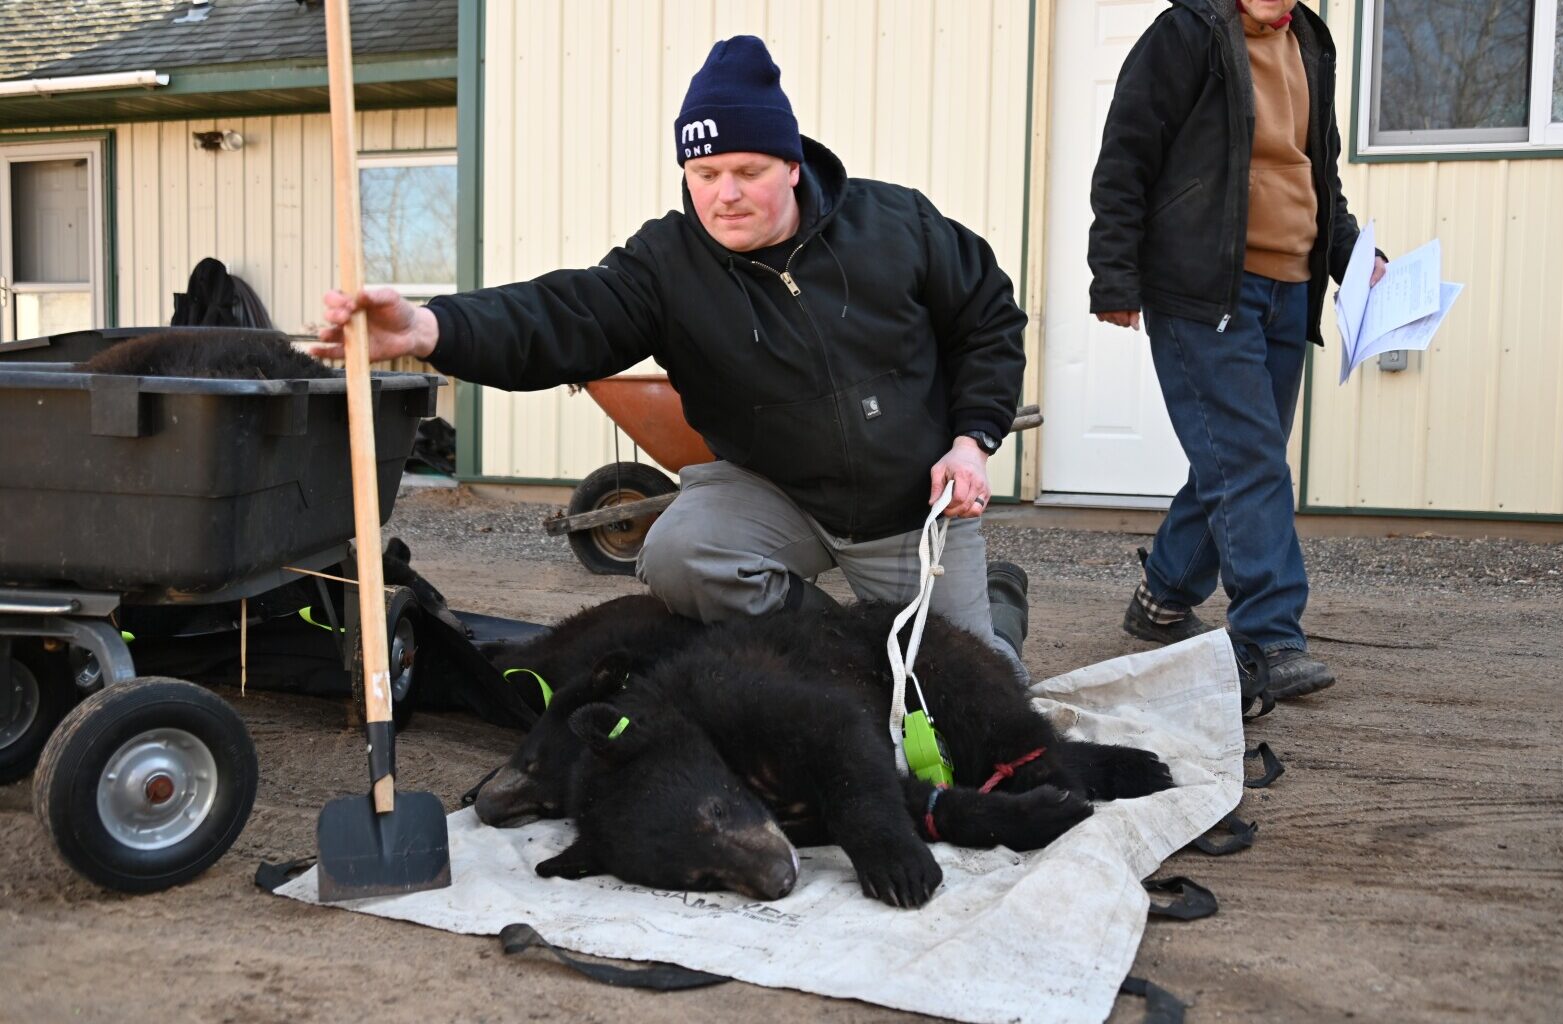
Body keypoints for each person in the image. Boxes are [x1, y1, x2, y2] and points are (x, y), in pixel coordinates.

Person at [318, 36, 1031, 667]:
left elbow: (989, 318)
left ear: (790, 163)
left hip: (910, 503)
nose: (723, 196)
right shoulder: (668, 264)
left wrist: (973, 442)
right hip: (773, 489)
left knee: (976, 696)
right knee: (679, 554)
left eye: (747, 171)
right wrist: (429, 328)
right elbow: (561, 314)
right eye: (703, 173)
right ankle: (847, 655)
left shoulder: (896, 223)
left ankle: (997, 607)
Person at [1087, 0, 1385, 699]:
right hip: (1201, 288)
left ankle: (1164, 597)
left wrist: (1355, 261)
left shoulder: (1309, 39)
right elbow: (1126, 157)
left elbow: (1319, 176)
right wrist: (1115, 277)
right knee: (1248, 461)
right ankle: (1269, 635)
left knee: (1235, 456)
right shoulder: (1187, 33)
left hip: (1288, 288)